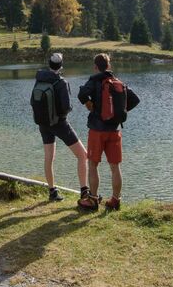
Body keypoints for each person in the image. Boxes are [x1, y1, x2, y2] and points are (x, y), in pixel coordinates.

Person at [33, 52, 90, 202]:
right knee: (83, 155)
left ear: (49, 64)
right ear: (61, 66)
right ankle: (84, 191)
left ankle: (52, 191)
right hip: (59, 124)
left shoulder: (40, 78)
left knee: (49, 157)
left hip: (43, 123)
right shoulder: (61, 82)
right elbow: (66, 107)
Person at [77, 53, 127, 211]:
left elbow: (81, 94)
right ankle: (115, 200)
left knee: (93, 164)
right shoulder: (118, 81)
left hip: (97, 129)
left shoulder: (95, 80)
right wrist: (117, 113)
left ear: (96, 67)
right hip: (115, 129)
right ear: (109, 65)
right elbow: (133, 99)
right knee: (115, 167)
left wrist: (89, 103)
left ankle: (92, 200)